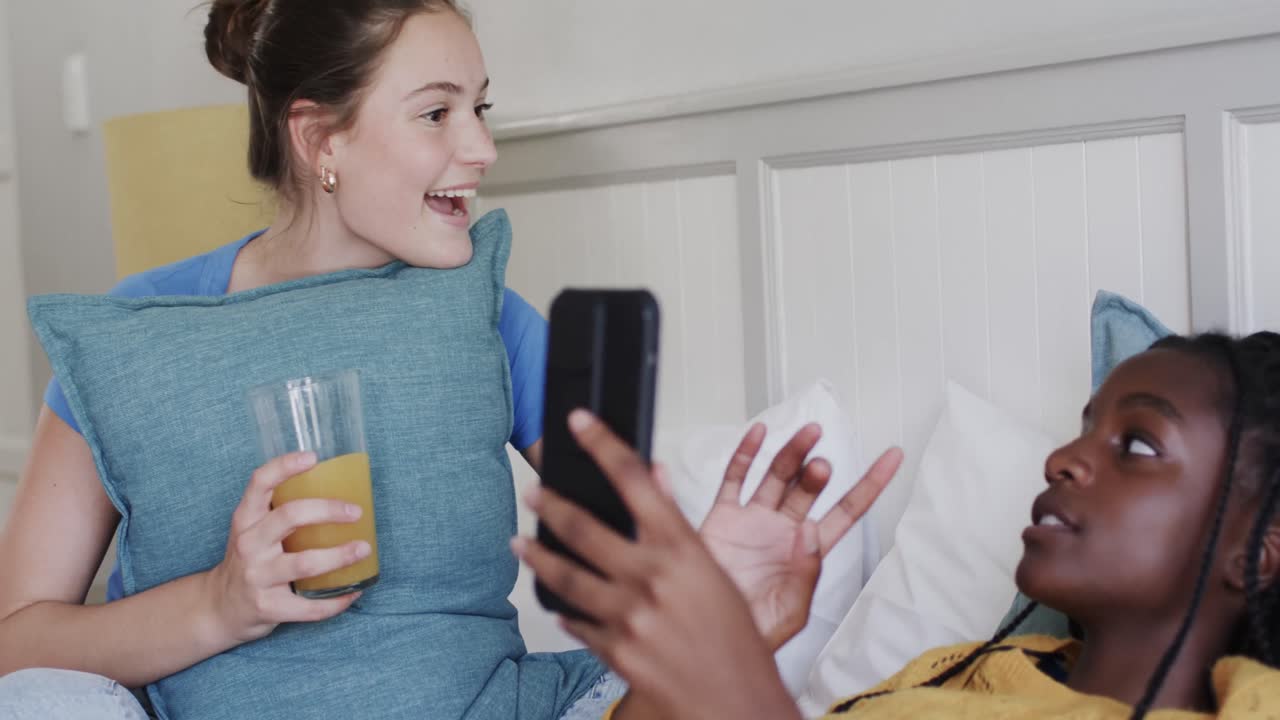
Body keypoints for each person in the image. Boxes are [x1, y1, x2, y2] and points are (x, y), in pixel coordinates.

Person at [0, 7, 900, 717]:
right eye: (436, 112)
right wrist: (221, 603)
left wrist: (716, 594)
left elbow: (628, 584)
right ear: (321, 142)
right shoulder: (129, 331)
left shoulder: (496, 321)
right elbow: (16, 641)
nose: (482, 149)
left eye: (480, 108)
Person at [520, 332, 1280, 719]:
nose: (1063, 460)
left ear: (1261, 548)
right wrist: (714, 657)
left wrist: (735, 685)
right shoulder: (964, 671)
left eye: (1138, 445)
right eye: (1082, 431)